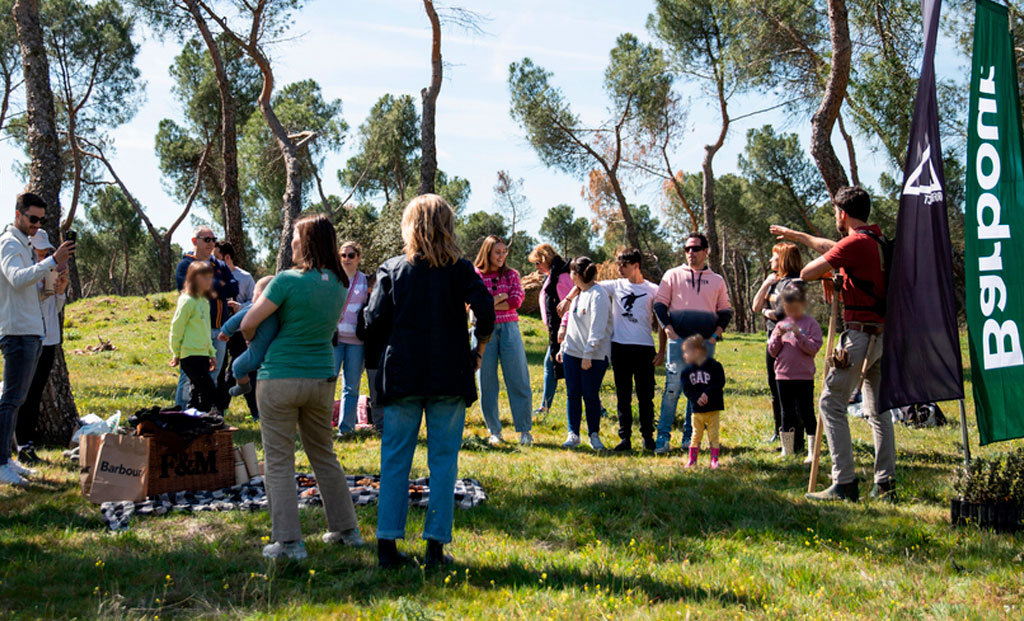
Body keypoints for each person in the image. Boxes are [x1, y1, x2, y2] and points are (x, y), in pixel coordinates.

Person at [364, 194, 494, 569]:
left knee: (394, 460)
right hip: (450, 373)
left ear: (410, 226)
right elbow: (485, 311)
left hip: (403, 373)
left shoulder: (392, 268)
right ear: (447, 225)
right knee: (443, 461)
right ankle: (435, 548)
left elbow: (373, 321)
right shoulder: (461, 269)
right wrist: (479, 349)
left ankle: (387, 547)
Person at [240, 214, 362, 560]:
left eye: (295, 236)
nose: (292, 242)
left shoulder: (286, 281)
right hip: (322, 377)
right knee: (323, 453)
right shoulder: (339, 284)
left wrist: (258, 341)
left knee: (279, 460)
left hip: (279, 377)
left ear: (306, 242)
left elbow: (248, 323)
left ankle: (289, 542)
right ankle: (346, 529)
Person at [770, 185, 895, 503]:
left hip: (860, 335)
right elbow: (831, 247)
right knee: (878, 411)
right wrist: (837, 269)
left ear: (842, 213)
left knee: (831, 404)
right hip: (882, 335)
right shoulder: (879, 241)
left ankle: (844, 483)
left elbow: (808, 270)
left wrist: (830, 271)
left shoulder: (854, 244)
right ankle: (885, 483)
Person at [557, 248, 666, 452]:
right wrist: (569, 298)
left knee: (645, 395)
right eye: (618, 264)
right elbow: (585, 284)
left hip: (644, 347)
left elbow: (661, 321)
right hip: (620, 347)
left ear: (636, 265)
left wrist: (661, 350)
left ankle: (648, 437)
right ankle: (625, 438)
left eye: (624, 265)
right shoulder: (615, 286)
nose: (619, 269)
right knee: (623, 395)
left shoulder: (653, 289)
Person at [0, 193, 75, 486]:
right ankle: (2, 461)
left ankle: (8, 459)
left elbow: (27, 290)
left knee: (17, 399)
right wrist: (51, 261)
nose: (36, 224)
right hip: (17, 332)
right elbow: (17, 278)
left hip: (31, 330)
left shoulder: (25, 245)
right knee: (11, 401)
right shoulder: (9, 243)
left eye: (41, 220)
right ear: (18, 214)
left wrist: (53, 288)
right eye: (32, 218)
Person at [652, 233, 733, 454]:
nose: (691, 252)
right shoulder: (672, 275)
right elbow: (659, 305)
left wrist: (715, 336)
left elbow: (725, 311)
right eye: (687, 248)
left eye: (696, 248)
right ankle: (662, 438)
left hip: (704, 346)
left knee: (696, 391)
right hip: (678, 343)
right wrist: (669, 329)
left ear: (706, 251)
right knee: (672, 390)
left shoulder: (716, 280)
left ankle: (689, 439)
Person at [15, 230, 69, 465]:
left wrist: (60, 291)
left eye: (46, 251)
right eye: (40, 251)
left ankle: (27, 445)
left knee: (35, 394)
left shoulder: (49, 271)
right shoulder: (24, 273)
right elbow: (25, 305)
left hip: (49, 340)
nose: (44, 256)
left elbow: (54, 309)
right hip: (27, 337)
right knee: (21, 395)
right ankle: (20, 445)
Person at [473, 235, 533, 446]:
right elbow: (474, 305)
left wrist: (489, 303)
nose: (501, 256)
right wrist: (499, 299)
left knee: (518, 379)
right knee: (486, 382)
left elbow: (516, 301)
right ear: (487, 252)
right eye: (496, 252)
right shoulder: (476, 275)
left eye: (503, 252)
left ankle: (525, 430)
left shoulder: (512, 274)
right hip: (483, 332)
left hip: (509, 329)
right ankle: (494, 431)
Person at [174, 226, 238, 409]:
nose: (212, 244)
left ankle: (207, 414)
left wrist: (212, 287)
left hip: (219, 330)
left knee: (215, 373)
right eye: (207, 239)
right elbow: (185, 288)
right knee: (188, 376)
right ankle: (181, 413)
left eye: (213, 240)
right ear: (195, 241)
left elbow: (234, 288)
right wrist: (219, 286)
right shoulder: (186, 265)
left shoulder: (219, 265)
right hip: (196, 332)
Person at [556, 257, 613, 451]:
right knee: (572, 393)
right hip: (572, 352)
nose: (569, 275)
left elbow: (598, 328)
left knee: (590, 395)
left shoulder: (599, 295)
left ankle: (594, 435)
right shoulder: (578, 293)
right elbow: (571, 324)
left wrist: (588, 354)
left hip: (593, 356)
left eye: (571, 271)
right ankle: (573, 434)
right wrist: (563, 348)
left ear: (577, 275)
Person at [751, 242, 803, 443]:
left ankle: (796, 438)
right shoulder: (774, 282)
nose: (770, 260)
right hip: (772, 342)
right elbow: (755, 306)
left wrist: (767, 312)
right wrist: (765, 283)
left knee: (791, 392)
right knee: (775, 389)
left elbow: (784, 314)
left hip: (790, 344)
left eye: (774, 257)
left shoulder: (795, 283)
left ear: (783, 259)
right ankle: (780, 431)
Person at [767, 281, 822, 461]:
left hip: (804, 376)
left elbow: (813, 348)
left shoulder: (810, 324)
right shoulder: (781, 324)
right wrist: (777, 337)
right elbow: (772, 351)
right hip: (783, 375)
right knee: (786, 412)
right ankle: (787, 449)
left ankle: (812, 451)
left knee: (807, 411)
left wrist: (800, 335)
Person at [528, 243, 573, 418]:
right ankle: (545, 406)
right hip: (556, 332)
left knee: (566, 370)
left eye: (538, 262)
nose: (537, 267)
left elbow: (569, 306)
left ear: (545, 259)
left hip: (565, 332)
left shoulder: (561, 277)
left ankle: (599, 408)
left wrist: (564, 328)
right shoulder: (552, 275)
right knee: (552, 366)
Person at [214, 241, 258, 417]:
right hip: (218, 330)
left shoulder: (245, 277)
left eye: (217, 257)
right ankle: (219, 409)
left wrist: (239, 307)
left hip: (239, 331)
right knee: (220, 368)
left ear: (227, 257)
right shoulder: (213, 277)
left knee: (241, 368)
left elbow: (256, 302)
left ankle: (255, 411)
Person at [169, 262, 218, 412]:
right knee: (208, 390)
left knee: (198, 392)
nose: (209, 281)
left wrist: (211, 353)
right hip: (190, 355)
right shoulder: (187, 301)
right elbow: (177, 328)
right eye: (205, 277)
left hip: (203, 354)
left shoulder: (204, 302)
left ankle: (194, 420)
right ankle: (198, 418)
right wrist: (176, 352)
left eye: (211, 277)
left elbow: (205, 331)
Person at [218, 276, 277, 399]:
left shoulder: (256, 307)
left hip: (257, 351)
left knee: (237, 366)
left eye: (254, 294)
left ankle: (243, 386)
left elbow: (237, 319)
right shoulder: (279, 310)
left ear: (260, 294)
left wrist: (225, 331)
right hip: (275, 354)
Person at [334, 241, 369, 435]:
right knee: (327, 383)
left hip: (357, 341)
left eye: (351, 255)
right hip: (335, 338)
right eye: (343, 255)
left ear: (358, 257)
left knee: (351, 386)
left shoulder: (365, 280)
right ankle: (320, 428)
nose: (346, 259)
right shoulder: (333, 279)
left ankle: (346, 429)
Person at [681, 335, 726, 469]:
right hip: (697, 410)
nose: (684, 355)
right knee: (695, 435)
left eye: (686, 352)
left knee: (713, 435)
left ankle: (714, 460)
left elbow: (719, 383)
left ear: (696, 352)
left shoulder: (715, 366)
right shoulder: (687, 371)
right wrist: (696, 398)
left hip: (713, 408)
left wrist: (707, 393)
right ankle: (692, 460)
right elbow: (687, 389)